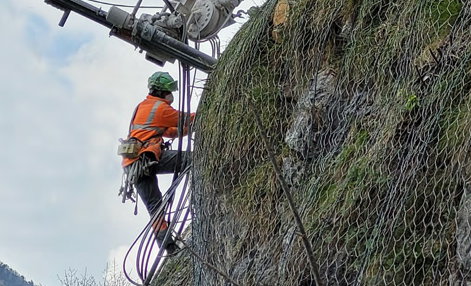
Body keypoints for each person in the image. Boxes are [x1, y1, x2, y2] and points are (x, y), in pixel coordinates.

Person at [118, 71, 195, 255]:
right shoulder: (160, 108)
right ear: (162, 92)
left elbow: (169, 132)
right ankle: (201, 189)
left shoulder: (144, 106)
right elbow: (186, 119)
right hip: (146, 159)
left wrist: (187, 130)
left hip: (132, 166)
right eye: (170, 91)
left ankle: (169, 247)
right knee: (191, 159)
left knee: (155, 207)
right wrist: (205, 115)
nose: (172, 95)